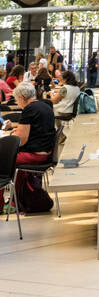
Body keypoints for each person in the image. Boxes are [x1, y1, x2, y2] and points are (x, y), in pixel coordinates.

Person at [2, 82, 56, 213]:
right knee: (10, 162)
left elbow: (21, 140)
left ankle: (2, 204)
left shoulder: (29, 110)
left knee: (3, 161)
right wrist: (15, 132)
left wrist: (11, 135)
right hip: (45, 152)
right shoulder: (45, 106)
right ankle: (15, 200)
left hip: (35, 155)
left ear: (21, 97)